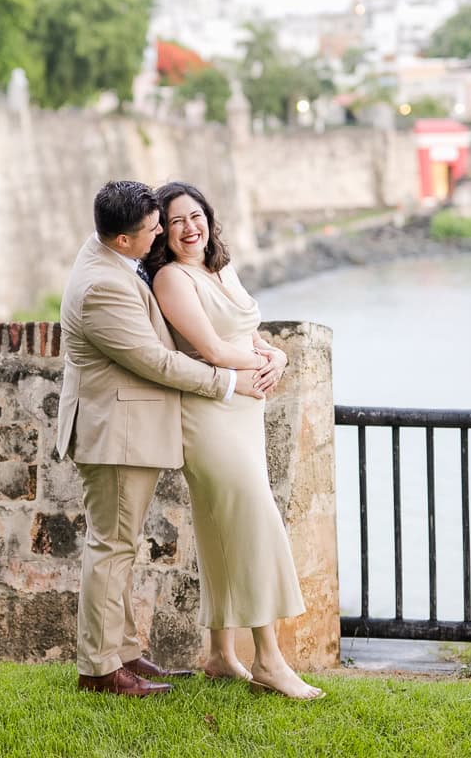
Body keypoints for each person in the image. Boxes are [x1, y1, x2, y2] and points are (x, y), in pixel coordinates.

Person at [57, 180, 270, 697]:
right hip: (116, 432)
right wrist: (226, 381)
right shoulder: (102, 285)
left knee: (121, 546)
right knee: (111, 547)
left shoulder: (111, 254)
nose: (161, 237)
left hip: (125, 428)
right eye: (154, 230)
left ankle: (124, 652)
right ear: (123, 239)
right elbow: (153, 360)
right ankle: (100, 670)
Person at [144, 180, 325, 700]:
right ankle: (268, 659)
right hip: (209, 413)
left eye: (194, 215)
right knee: (253, 521)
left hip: (245, 411)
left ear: (208, 216)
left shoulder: (220, 266)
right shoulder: (171, 279)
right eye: (175, 221)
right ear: (163, 231)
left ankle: (221, 655)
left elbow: (248, 332)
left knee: (221, 528)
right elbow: (214, 350)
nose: (189, 227)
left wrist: (279, 355)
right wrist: (266, 360)